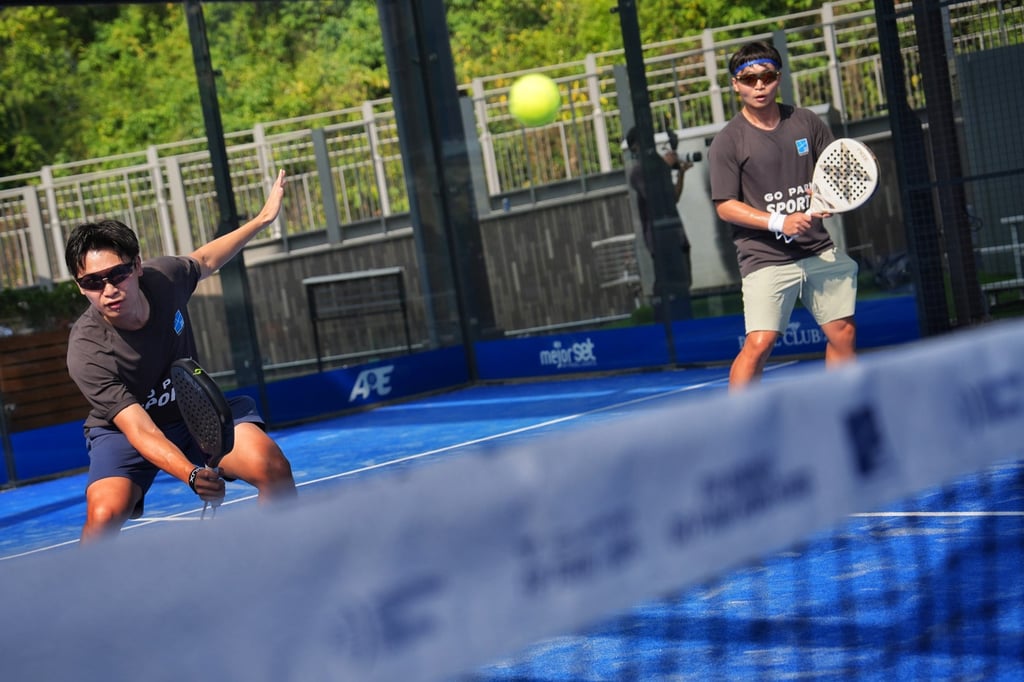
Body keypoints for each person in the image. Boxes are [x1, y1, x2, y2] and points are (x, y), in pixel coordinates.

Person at [65, 169, 296, 541]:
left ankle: (279, 556)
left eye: (118, 274)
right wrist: (192, 474)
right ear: (80, 287)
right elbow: (140, 429)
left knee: (272, 467)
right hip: (125, 433)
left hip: (196, 413)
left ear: (137, 267)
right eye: (93, 281)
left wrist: (262, 220)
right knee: (103, 516)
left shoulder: (166, 279)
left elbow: (206, 259)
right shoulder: (86, 349)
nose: (108, 289)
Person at [708, 41, 857, 390]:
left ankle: (844, 407)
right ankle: (739, 417)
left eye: (767, 76)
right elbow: (725, 205)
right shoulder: (728, 141)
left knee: (843, 332)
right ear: (735, 85)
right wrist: (779, 221)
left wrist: (826, 197)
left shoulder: (805, 121)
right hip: (764, 256)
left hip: (817, 248)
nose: (759, 85)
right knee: (760, 343)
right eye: (749, 79)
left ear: (779, 78)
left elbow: (836, 170)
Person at [626, 126, 695, 291]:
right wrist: (664, 166)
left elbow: (673, 198)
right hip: (660, 240)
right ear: (635, 146)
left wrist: (681, 173)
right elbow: (655, 198)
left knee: (686, 282)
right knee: (669, 286)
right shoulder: (638, 171)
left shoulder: (657, 166)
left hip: (677, 235)